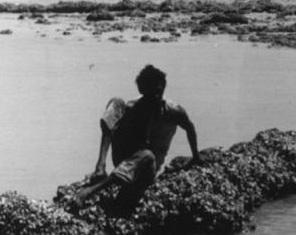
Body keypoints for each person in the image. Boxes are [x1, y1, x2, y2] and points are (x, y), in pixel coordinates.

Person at [74, 64, 202, 215]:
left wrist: (196, 156)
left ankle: (91, 191)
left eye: (157, 93)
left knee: (147, 155)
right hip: (126, 158)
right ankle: (100, 167)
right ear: (142, 92)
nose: (154, 97)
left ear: (162, 89)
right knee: (116, 103)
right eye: (148, 94)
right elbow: (115, 126)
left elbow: (190, 128)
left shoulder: (172, 111)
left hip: (147, 166)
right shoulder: (135, 106)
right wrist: (104, 160)